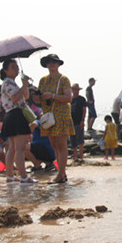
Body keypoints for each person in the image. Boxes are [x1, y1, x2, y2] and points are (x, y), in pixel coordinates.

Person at [38, 54, 74, 184]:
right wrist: (37, 96)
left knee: (61, 145)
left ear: (58, 64)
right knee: (54, 145)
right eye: (49, 62)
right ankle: (62, 173)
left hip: (61, 114)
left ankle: (60, 174)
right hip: (49, 115)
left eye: (54, 62)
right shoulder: (43, 81)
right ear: (46, 65)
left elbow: (69, 98)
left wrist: (52, 96)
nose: (52, 64)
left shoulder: (63, 79)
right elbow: (39, 99)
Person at [0, 59, 36, 184]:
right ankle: (24, 177)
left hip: (11, 115)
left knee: (12, 148)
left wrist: (25, 85)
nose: (16, 69)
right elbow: (15, 98)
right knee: (19, 148)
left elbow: (25, 96)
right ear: (6, 70)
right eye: (13, 67)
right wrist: (24, 85)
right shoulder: (8, 82)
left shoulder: (10, 82)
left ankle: (10, 175)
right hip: (15, 114)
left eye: (17, 67)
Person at [69, 83, 87, 160]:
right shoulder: (70, 99)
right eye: (74, 89)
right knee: (73, 139)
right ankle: (75, 155)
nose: (76, 91)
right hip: (71, 122)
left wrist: (83, 120)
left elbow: (84, 110)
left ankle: (81, 155)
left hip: (79, 121)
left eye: (77, 90)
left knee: (80, 138)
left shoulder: (82, 99)